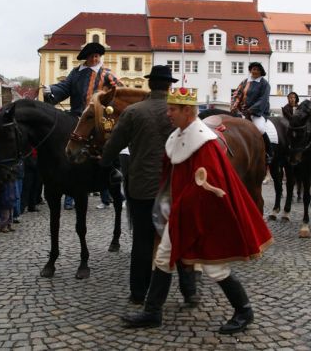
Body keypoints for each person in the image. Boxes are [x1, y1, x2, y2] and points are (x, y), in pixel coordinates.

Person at [122, 87, 273, 333]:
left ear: (188, 111)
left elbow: (209, 184)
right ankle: (152, 313)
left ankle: (244, 311)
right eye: (169, 108)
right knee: (162, 258)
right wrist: (167, 202)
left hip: (206, 215)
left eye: (173, 110)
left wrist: (183, 205)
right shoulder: (179, 135)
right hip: (182, 213)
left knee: (215, 267)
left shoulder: (205, 143)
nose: (168, 114)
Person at [101, 65, 200, 306]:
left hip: (142, 187)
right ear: (169, 86)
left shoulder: (133, 112)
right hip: (175, 187)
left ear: (149, 84)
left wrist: (104, 161)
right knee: (179, 238)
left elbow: (112, 149)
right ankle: (189, 292)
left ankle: (138, 293)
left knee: (143, 241)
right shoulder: (181, 114)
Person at [43, 42, 122, 117]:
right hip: (76, 114)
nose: (94, 59)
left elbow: (120, 90)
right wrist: (51, 90)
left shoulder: (107, 73)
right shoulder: (76, 72)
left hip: (97, 116)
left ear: (100, 57)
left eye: (96, 56)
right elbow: (65, 86)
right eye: (91, 56)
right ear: (86, 57)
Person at [230, 62, 272, 163]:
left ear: (261, 72)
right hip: (243, 112)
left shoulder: (264, 84)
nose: (255, 71)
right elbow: (237, 94)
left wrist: (251, 110)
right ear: (250, 70)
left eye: (257, 69)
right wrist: (234, 106)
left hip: (258, 112)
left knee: (260, 129)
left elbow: (263, 99)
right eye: (253, 69)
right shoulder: (245, 82)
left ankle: (268, 153)